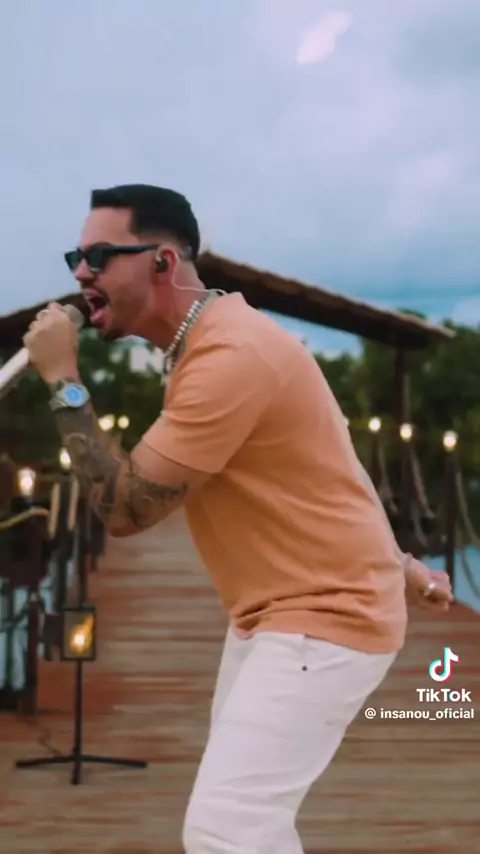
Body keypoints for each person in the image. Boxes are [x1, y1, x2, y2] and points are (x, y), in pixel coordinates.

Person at [24, 184, 453, 853]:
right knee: (248, 826)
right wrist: (398, 564)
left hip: (325, 617)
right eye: (74, 258)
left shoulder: (231, 355)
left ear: (163, 262)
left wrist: (63, 380)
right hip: (278, 612)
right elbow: (322, 472)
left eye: (99, 256)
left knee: (228, 827)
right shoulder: (205, 345)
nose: (81, 273)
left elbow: (127, 509)